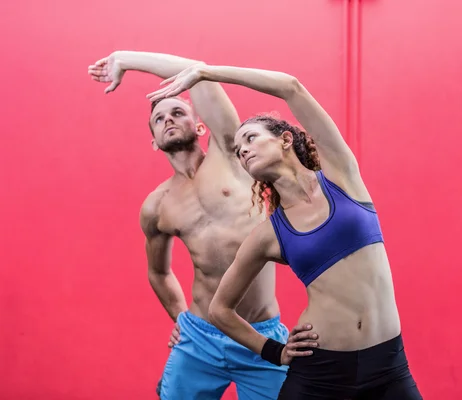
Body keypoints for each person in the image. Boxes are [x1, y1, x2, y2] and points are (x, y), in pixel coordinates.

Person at [146, 63, 424, 400]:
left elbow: (291, 87)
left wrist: (205, 73)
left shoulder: (342, 176)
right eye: (237, 149)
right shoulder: (268, 234)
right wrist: (273, 352)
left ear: (285, 139)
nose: (243, 149)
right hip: (320, 370)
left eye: (250, 138)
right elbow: (219, 309)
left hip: (388, 366)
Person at [87, 51, 319, 400]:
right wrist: (181, 318)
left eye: (178, 111)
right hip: (199, 338)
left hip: (260, 336)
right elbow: (159, 273)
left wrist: (126, 59)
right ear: (154, 141)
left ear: (200, 126)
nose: (168, 119)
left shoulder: (230, 155)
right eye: (159, 118)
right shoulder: (157, 205)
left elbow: (198, 72)